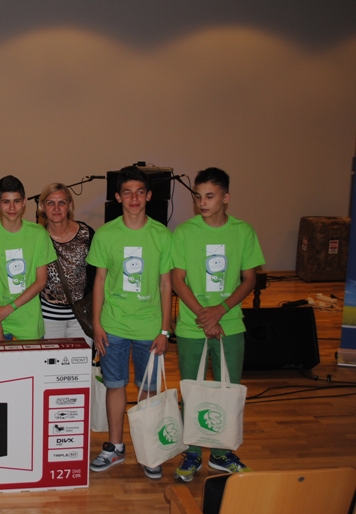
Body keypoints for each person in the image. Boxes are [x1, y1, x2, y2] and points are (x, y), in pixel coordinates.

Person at [171, 167, 265, 482]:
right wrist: (204, 315)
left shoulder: (243, 231)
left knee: (228, 393)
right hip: (192, 326)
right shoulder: (184, 232)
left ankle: (222, 454)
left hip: (230, 326)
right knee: (192, 393)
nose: (202, 203)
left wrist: (220, 310)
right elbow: (178, 280)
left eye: (209, 196)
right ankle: (192, 453)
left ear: (226, 197)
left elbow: (249, 279)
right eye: (198, 196)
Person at [86, 165, 173, 480]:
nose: (134, 198)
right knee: (114, 386)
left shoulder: (162, 235)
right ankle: (115, 447)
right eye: (127, 192)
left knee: (148, 391)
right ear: (117, 197)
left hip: (150, 329)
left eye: (139, 192)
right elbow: (99, 281)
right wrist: (97, 324)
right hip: (114, 326)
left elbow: (166, 284)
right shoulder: (106, 234)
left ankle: (149, 451)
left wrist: (165, 330)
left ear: (148, 196)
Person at [0, 175, 56, 340]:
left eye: (16, 201)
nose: (12, 207)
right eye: (6, 202)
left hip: (29, 324)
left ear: (24, 202)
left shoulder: (39, 234)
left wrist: (8, 309)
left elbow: (41, 281)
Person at [37, 183, 95, 342]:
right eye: (50, 203)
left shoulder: (86, 234)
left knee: (81, 358)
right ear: (42, 206)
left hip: (82, 316)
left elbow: (96, 277)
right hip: (49, 317)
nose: (56, 208)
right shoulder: (37, 237)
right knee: (52, 358)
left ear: (70, 205)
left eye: (61, 202)